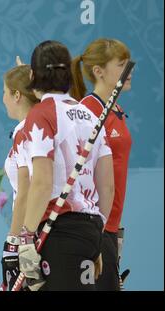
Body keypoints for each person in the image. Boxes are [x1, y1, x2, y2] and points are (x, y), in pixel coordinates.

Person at [14, 40, 115, 290]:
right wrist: (96, 237)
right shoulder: (91, 115)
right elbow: (108, 186)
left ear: (32, 75)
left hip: (58, 230)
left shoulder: (41, 113)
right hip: (90, 230)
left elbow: (42, 182)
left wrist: (25, 239)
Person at [70, 38, 133, 290]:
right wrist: (98, 231)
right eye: (121, 65)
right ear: (99, 71)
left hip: (112, 225)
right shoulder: (88, 111)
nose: (129, 71)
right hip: (95, 226)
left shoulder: (115, 109)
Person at [0, 61, 39, 291]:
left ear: (17, 95)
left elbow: (26, 192)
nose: (3, 99)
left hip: (31, 236)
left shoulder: (26, 132)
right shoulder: (39, 126)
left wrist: (13, 242)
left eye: (5, 93)